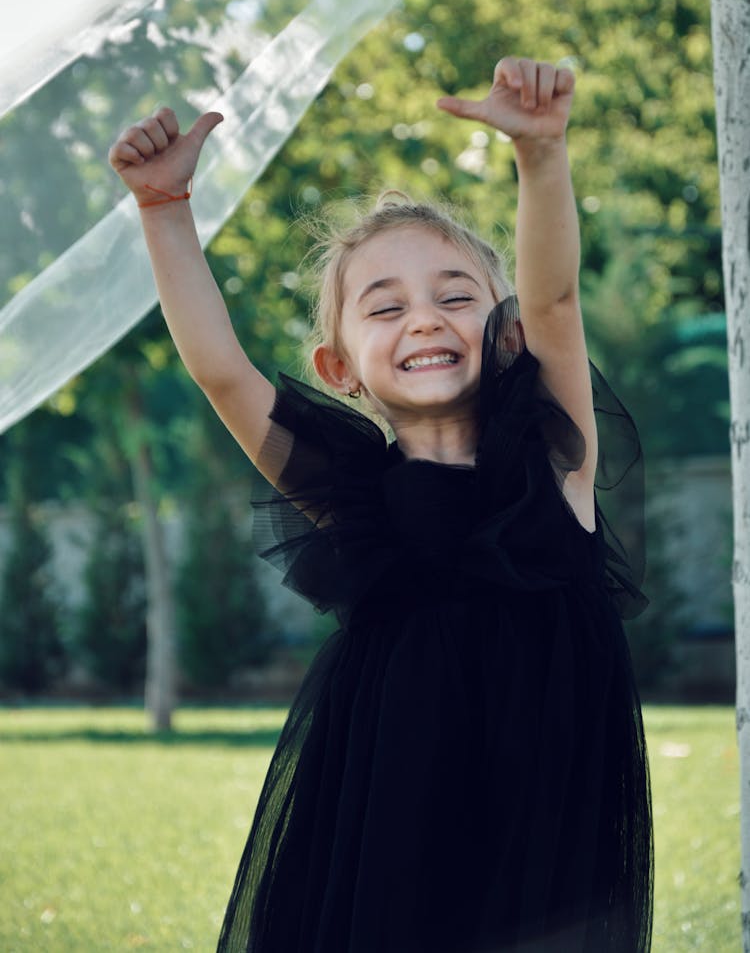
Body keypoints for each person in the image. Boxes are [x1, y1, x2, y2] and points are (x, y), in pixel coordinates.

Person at [109, 57, 654, 953]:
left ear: (504, 332)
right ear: (340, 368)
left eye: (455, 296)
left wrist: (541, 156)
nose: (426, 320)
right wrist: (164, 213)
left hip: (543, 832)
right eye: (385, 307)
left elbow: (554, 294)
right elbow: (221, 370)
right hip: (385, 828)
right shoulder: (352, 498)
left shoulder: (556, 462)